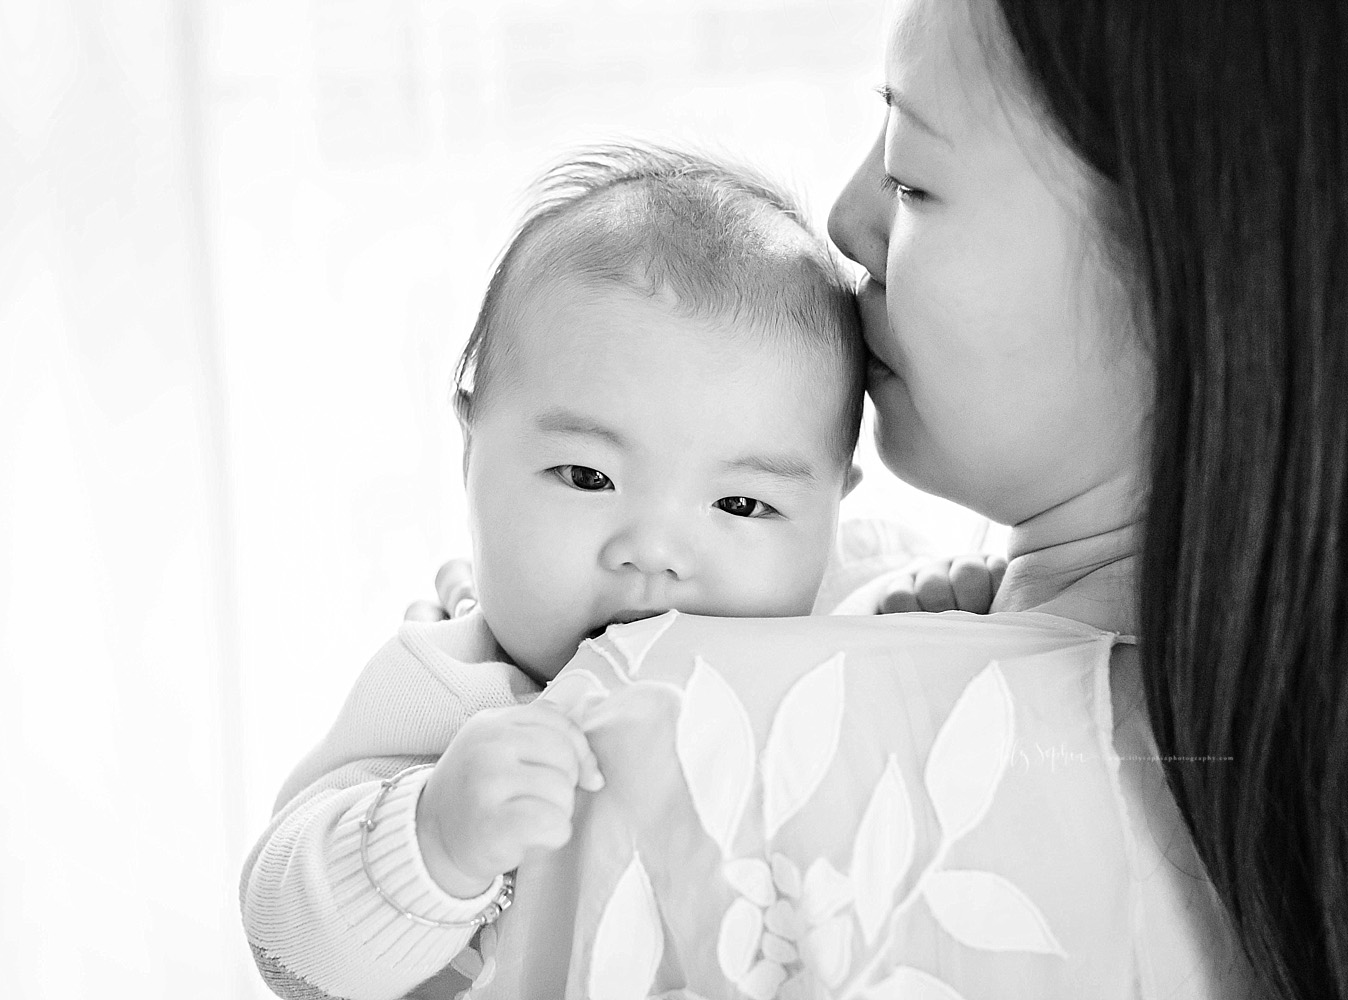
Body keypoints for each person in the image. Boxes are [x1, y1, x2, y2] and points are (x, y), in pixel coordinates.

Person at [386, 0, 1347, 995]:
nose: (847, 219)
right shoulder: (1262, 788)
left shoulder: (666, 718)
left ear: (1179, 267)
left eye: (913, 179)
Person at [239, 145, 1005, 1000]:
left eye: (742, 507)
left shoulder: (850, 601)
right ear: (470, 451)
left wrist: (938, 637)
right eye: (587, 478)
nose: (656, 552)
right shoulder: (452, 696)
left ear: (833, 510)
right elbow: (287, 949)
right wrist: (433, 840)